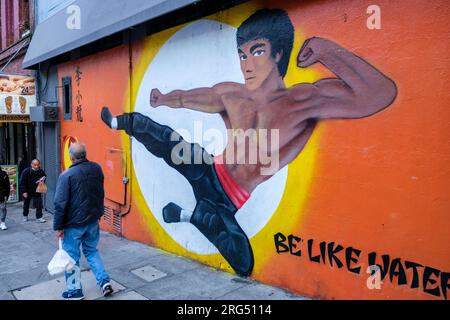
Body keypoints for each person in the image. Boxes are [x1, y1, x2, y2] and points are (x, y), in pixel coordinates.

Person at [100, 8, 397, 276]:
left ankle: (195, 216)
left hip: (227, 199)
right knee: (170, 143)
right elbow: (189, 98)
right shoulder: (232, 94)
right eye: (242, 55)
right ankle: (121, 121)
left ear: (278, 53)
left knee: (243, 262)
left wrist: (325, 51)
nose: (246, 64)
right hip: (207, 168)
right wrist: (164, 100)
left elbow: (378, 94)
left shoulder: (303, 102)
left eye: (256, 51)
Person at [53, 142, 113, 300]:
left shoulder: (67, 175)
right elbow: (99, 192)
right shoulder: (96, 168)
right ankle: (104, 282)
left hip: (73, 224)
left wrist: (58, 227)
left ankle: (74, 291)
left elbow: (60, 203)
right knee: (92, 251)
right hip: (92, 220)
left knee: (71, 257)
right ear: (85, 154)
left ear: (71, 157)